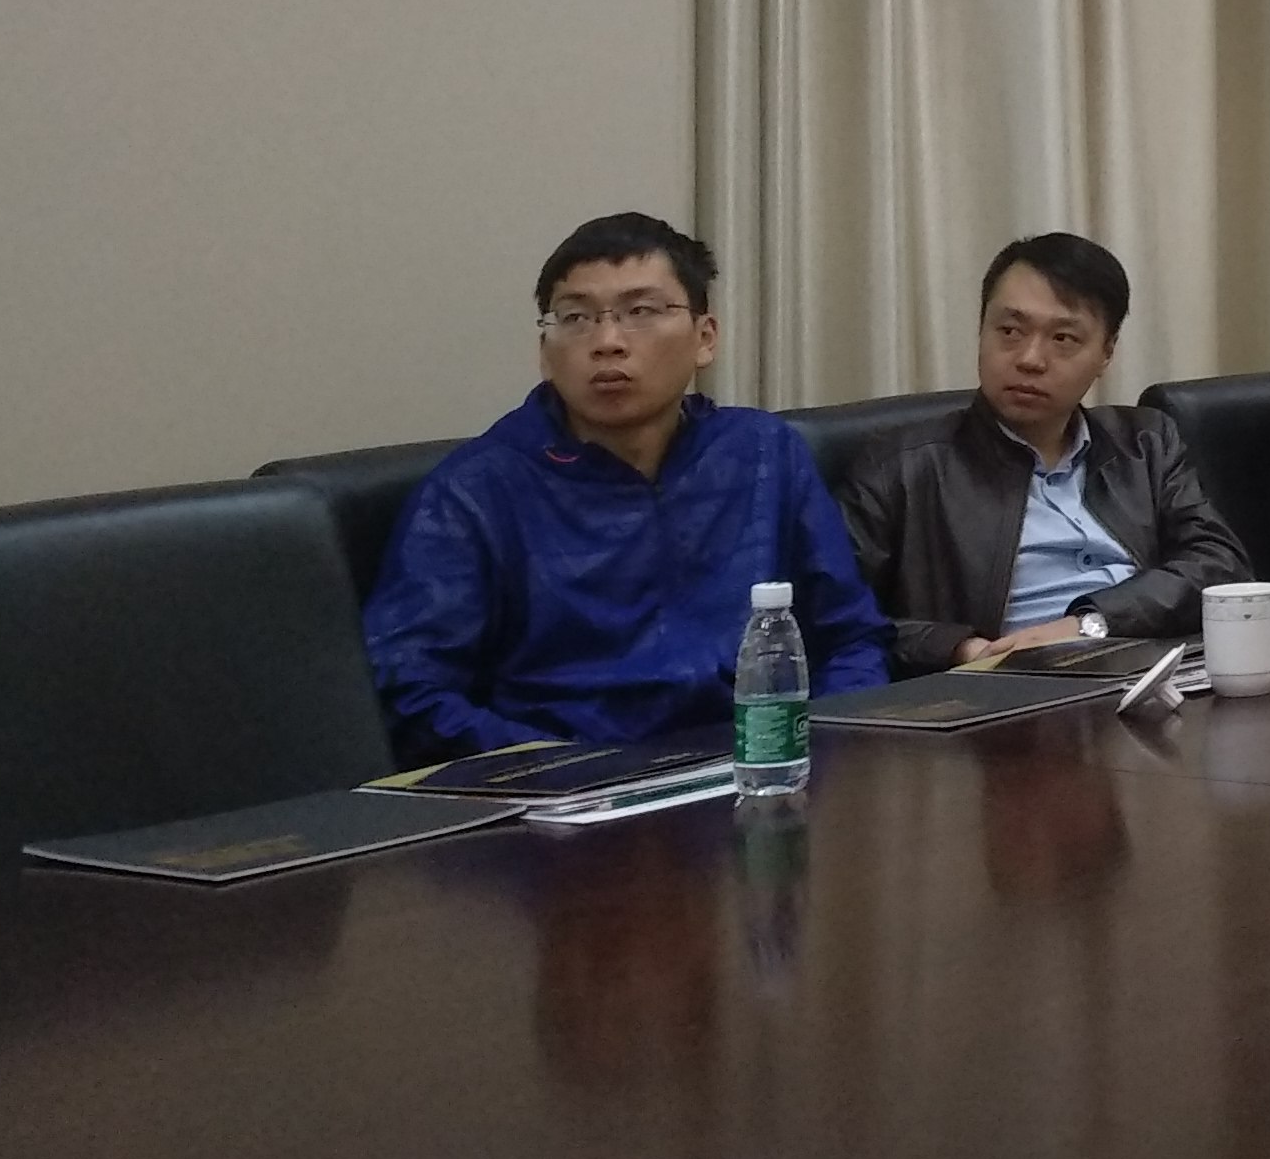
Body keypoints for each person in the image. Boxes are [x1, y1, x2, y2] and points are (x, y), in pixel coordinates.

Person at [366, 212, 887, 756]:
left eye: (641, 312)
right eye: (575, 318)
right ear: (545, 353)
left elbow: (851, 637)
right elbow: (410, 693)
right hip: (568, 783)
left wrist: (816, 749)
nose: (607, 341)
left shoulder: (762, 453)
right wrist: (572, 773)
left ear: (704, 338)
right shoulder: (475, 492)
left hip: (760, 766)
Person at [839, 232, 1250, 674]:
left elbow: (1220, 566)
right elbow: (836, 620)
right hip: (1006, 689)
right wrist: (961, 650)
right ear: (981, 330)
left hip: (1151, 674)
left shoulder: (1145, 443)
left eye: (1063, 338)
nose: (1030, 359)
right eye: (1010, 332)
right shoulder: (900, 466)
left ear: (1106, 353)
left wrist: (1092, 623)